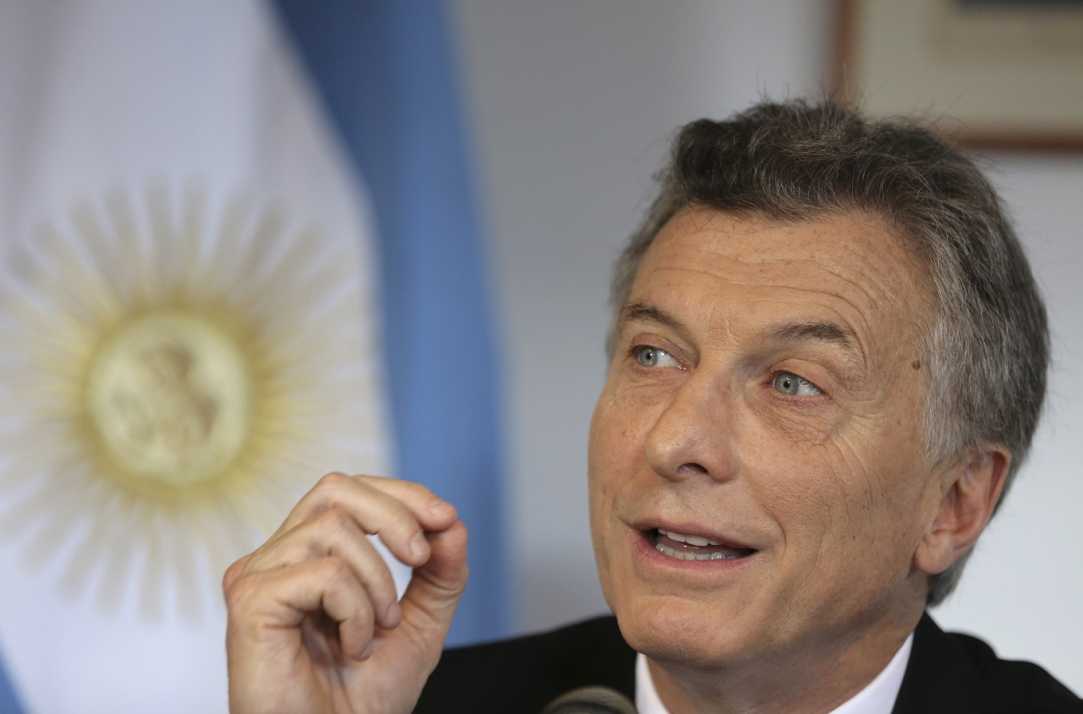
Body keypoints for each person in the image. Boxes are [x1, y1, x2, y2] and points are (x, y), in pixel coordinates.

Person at [223, 99, 1081, 713]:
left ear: (953, 502)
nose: (676, 440)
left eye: (791, 382)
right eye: (653, 355)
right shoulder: (414, 704)